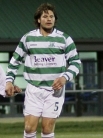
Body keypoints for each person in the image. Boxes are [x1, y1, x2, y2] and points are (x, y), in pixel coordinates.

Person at [5, 3, 81, 138]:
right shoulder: (28, 38)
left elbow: (76, 63)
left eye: (51, 16)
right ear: (38, 19)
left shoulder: (64, 39)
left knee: (47, 129)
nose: (49, 19)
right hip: (34, 89)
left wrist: (64, 78)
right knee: (29, 128)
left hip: (54, 91)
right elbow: (14, 61)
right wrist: (9, 81)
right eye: (45, 16)